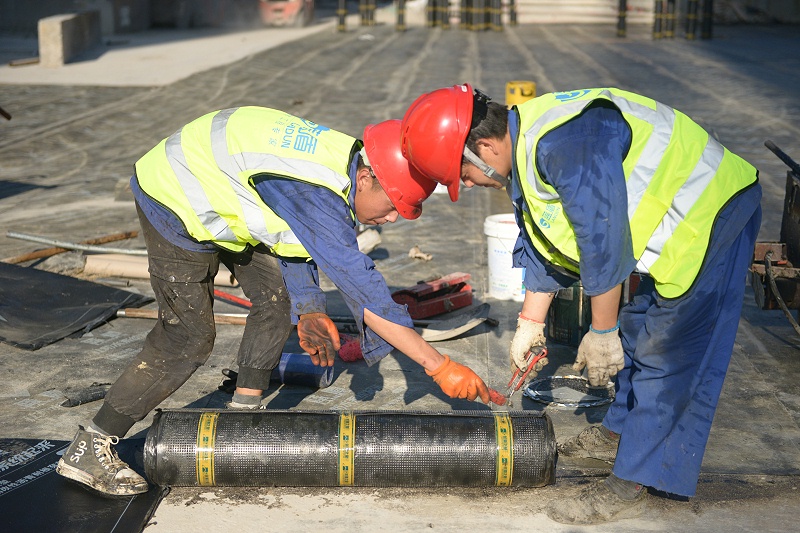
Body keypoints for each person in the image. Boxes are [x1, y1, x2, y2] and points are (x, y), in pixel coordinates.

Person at [56, 108, 491, 497]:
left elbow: (290, 230)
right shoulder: (319, 192)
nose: (394, 217)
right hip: (177, 194)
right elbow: (366, 290)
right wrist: (438, 366)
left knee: (276, 298)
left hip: (227, 190)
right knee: (188, 338)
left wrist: (310, 306)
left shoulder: (345, 167)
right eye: (395, 204)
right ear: (365, 179)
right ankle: (90, 447)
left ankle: (241, 413)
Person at [400, 85, 762, 524]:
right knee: (639, 327)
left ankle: (634, 481)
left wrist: (602, 331)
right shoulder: (526, 147)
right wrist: (530, 321)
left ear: (484, 147)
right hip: (670, 222)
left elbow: (603, 242)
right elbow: (544, 240)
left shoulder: (566, 144)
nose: (471, 186)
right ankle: (619, 433)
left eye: (465, 177)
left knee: (668, 353)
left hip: (712, 211)